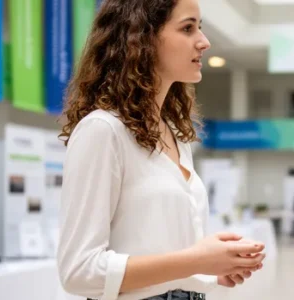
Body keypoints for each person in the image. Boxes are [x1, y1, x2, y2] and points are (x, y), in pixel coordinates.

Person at [55, 1, 266, 299]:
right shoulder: (103, 131)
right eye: (188, 28)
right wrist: (198, 259)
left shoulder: (175, 136)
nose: (204, 42)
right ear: (142, 36)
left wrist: (211, 269)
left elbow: (159, 260)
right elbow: (79, 272)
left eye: (200, 28)